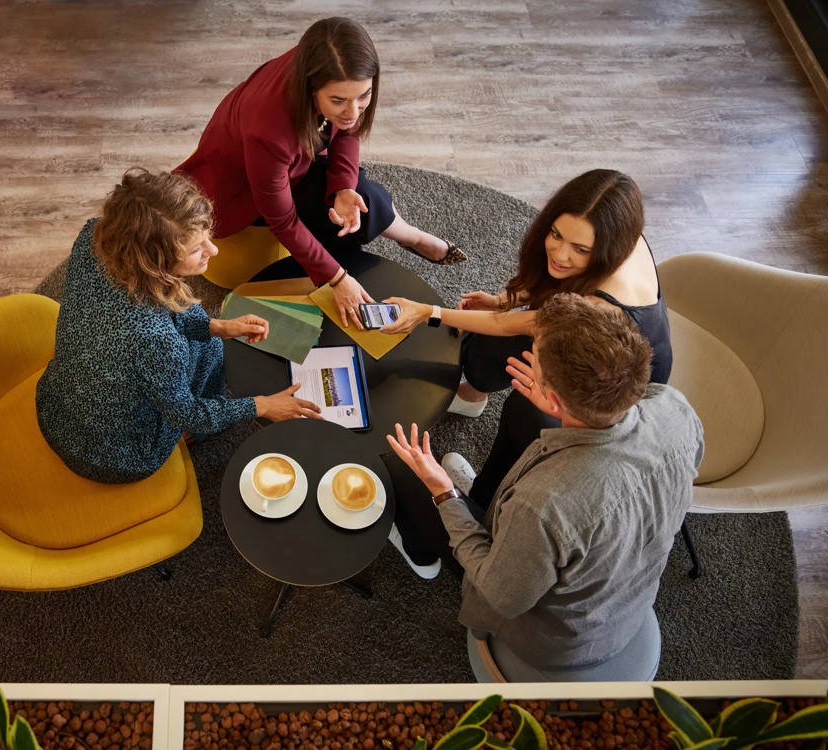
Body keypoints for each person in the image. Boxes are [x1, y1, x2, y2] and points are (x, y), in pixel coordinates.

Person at [386, 294, 704, 681]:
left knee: (402, 471)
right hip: (622, 591)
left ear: (554, 397)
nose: (530, 357)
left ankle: (423, 549)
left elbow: (501, 594)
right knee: (523, 411)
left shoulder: (542, 505)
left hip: (556, 640)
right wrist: (553, 408)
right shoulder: (676, 406)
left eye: (533, 355)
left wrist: (442, 491)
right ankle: (488, 508)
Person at [383, 169, 672, 513]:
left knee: (526, 416)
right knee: (487, 349)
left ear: (608, 247)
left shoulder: (603, 307)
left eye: (579, 249)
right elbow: (564, 285)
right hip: (582, 336)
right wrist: (504, 298)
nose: (560, 255)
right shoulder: (619, 237)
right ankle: (473, 396)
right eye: (555, 234)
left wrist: (429, 312)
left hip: (608, 388)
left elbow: (513, 324)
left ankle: (483, 501)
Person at [176, 17, 466, 331]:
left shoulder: (328, 66)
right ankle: (410, 237)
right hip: (243, 186)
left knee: (359, 198)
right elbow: (283, 221)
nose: (354, 112)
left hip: (297, 156)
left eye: (363, 97)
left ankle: (412, 237)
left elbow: (347, 131)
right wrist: (337, 278)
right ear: (311, 88)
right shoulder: (268, 133)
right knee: (346, 222)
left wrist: (342, 188)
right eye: (339, 101)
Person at [36, 168, 321, 484]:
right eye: (197, 248)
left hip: (55, 408)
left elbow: (155, 303)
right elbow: (188, 412)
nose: (212, 251)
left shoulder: (95, 236)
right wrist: (265, 405)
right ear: (154, 262)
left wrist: (219, 326)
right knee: (208, 351)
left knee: (209, 338)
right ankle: (197, 435)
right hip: (114, 456)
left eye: (206, 237)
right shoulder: (157, 341)